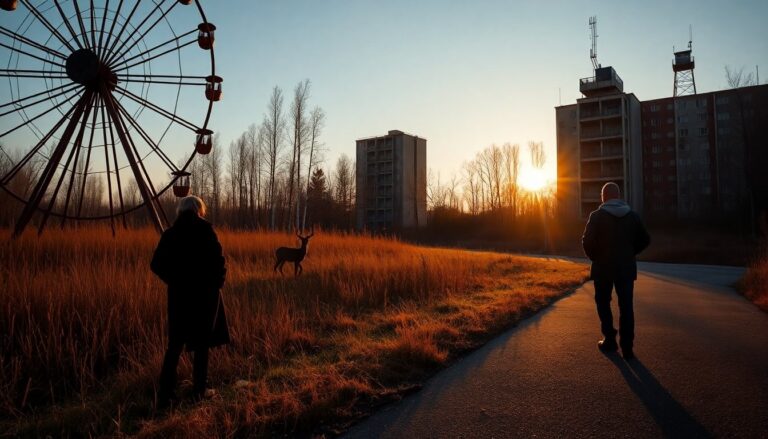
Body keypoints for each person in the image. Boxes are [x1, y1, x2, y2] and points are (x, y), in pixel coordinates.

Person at [150, 195, 229, 404]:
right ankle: (199, 392)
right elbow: (219, 262)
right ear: (198, 210)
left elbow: (156, 265)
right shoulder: (206, 231)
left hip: (179, 297)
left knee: (174, 344)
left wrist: (174, 280)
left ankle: (166, 393)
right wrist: (215, 285)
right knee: (202, 345)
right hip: (205, 297)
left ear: (181, 211)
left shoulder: (170, 234)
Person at [582, 182, 650, 360]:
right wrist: (630, 253)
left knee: (603, 303)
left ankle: (610, 340)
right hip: (626, 268)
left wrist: (596, 257)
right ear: (618, 196)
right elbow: (645, 239)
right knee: (626, 306)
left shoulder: (596, 216)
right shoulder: (632, 216)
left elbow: (587, 242)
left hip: (602, 269)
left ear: (603, 197)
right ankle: (627, 348)